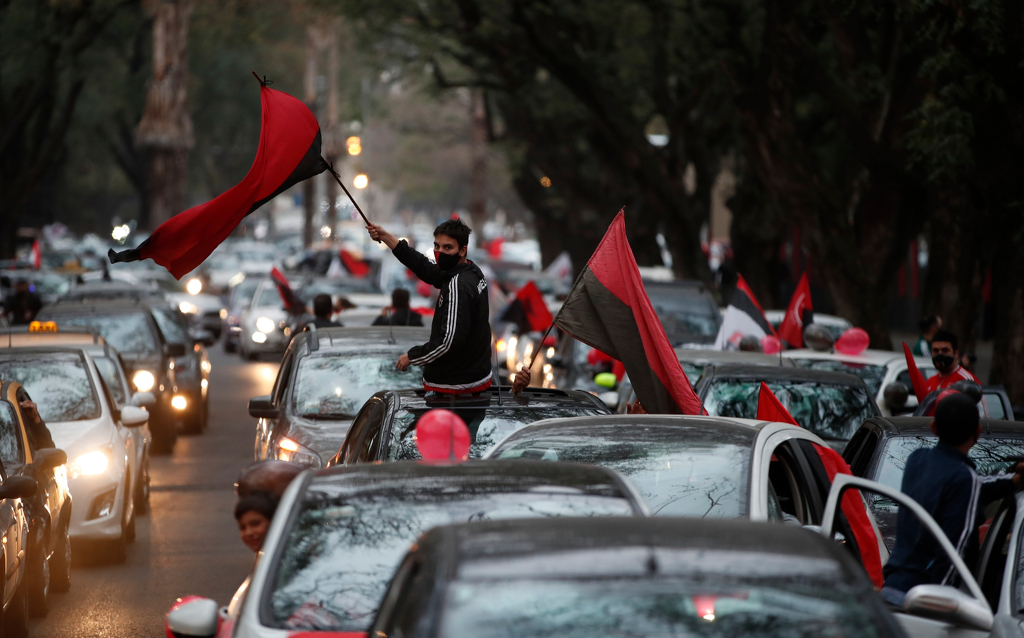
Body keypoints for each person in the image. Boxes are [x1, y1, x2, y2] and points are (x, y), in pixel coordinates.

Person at [882, 393, 1024, 605]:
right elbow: (954, 554)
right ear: (977, 432)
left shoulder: (917, 460)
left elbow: (966, 484)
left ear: (933, 428)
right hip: (923, 603)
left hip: (891, 588)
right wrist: (937, 606)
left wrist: (1013, 481)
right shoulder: (963, 479)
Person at [366, 219, 492, 394]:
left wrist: (412, 356)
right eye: (437, 247)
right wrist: (386, 237)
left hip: (456, 389)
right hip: (473, 380)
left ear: (463, 250)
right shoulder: (470, 271)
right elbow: (424, 267)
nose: (440, 252)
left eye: (448, 248)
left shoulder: (458, 285)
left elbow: (448, 343)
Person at [924, 330, 979, 394]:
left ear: (956, 353)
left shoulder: (966, 381)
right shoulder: (929, 382)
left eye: (945, 350)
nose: (940, 354)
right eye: (936, 350)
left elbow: (981, 403)